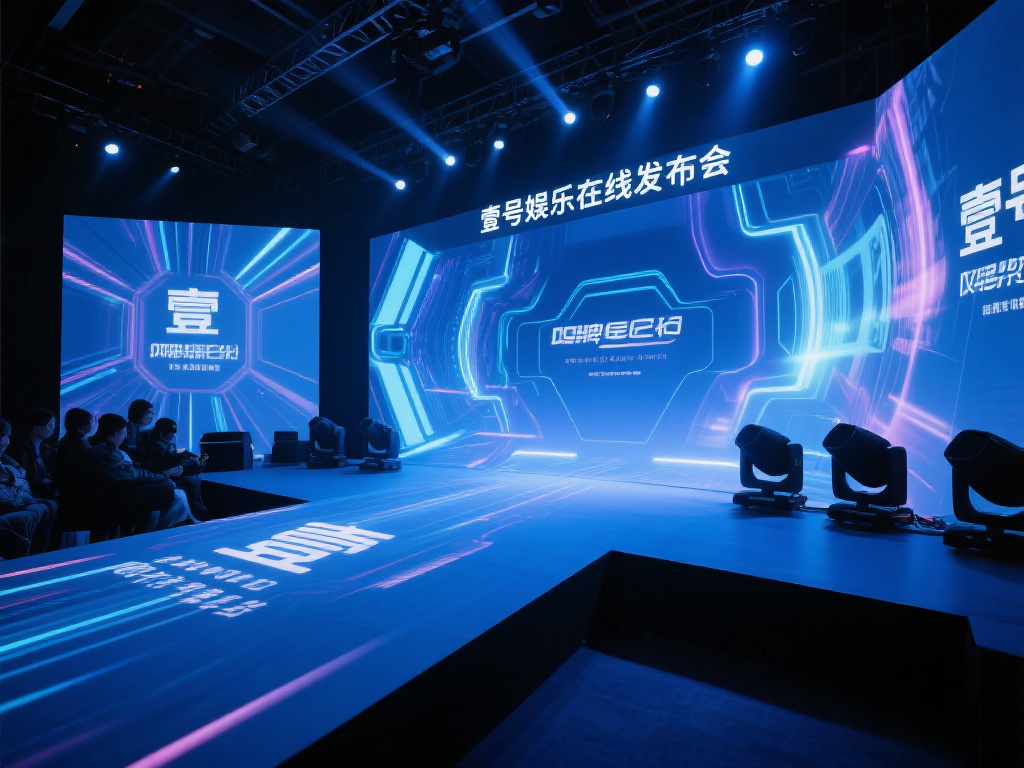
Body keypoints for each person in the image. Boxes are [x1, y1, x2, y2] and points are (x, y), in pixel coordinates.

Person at [89, 413, 197, 532]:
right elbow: (131, 473)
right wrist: (161, 475)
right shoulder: (106, 452)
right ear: (118, 432)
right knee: (167, 486)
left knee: (171, 487)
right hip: (118, 496)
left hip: (121, 490)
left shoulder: (106, 449)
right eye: (124, 432)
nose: (125, 436)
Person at [0, 418, 57, 557]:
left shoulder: (7, 459)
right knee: (37, 509)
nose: (8, 441)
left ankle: (37, 554)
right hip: (8, 505)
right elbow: (6, 495)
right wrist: (22, 492)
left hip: (18, 498)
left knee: (49, 505)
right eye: (7, 436)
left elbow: (23, 481)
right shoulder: (20, 450)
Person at [143, 417, 209, 520]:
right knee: (192, 478)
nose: (174, 435)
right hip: (166, 475)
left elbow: (173, 456)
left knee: (194, 473)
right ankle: (197, 512)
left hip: (173, 471)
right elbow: (155, 466)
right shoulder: (153, 448)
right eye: (172, 432)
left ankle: (198, 511)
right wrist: (175, 467)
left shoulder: (166, 445)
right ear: (162, 433)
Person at [12, 407, 58, 500]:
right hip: (29, 495)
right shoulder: (21, 448)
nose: (53, 429)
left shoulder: (46, 449)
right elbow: (25, 479)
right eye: (50, 426)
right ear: (37, 428)